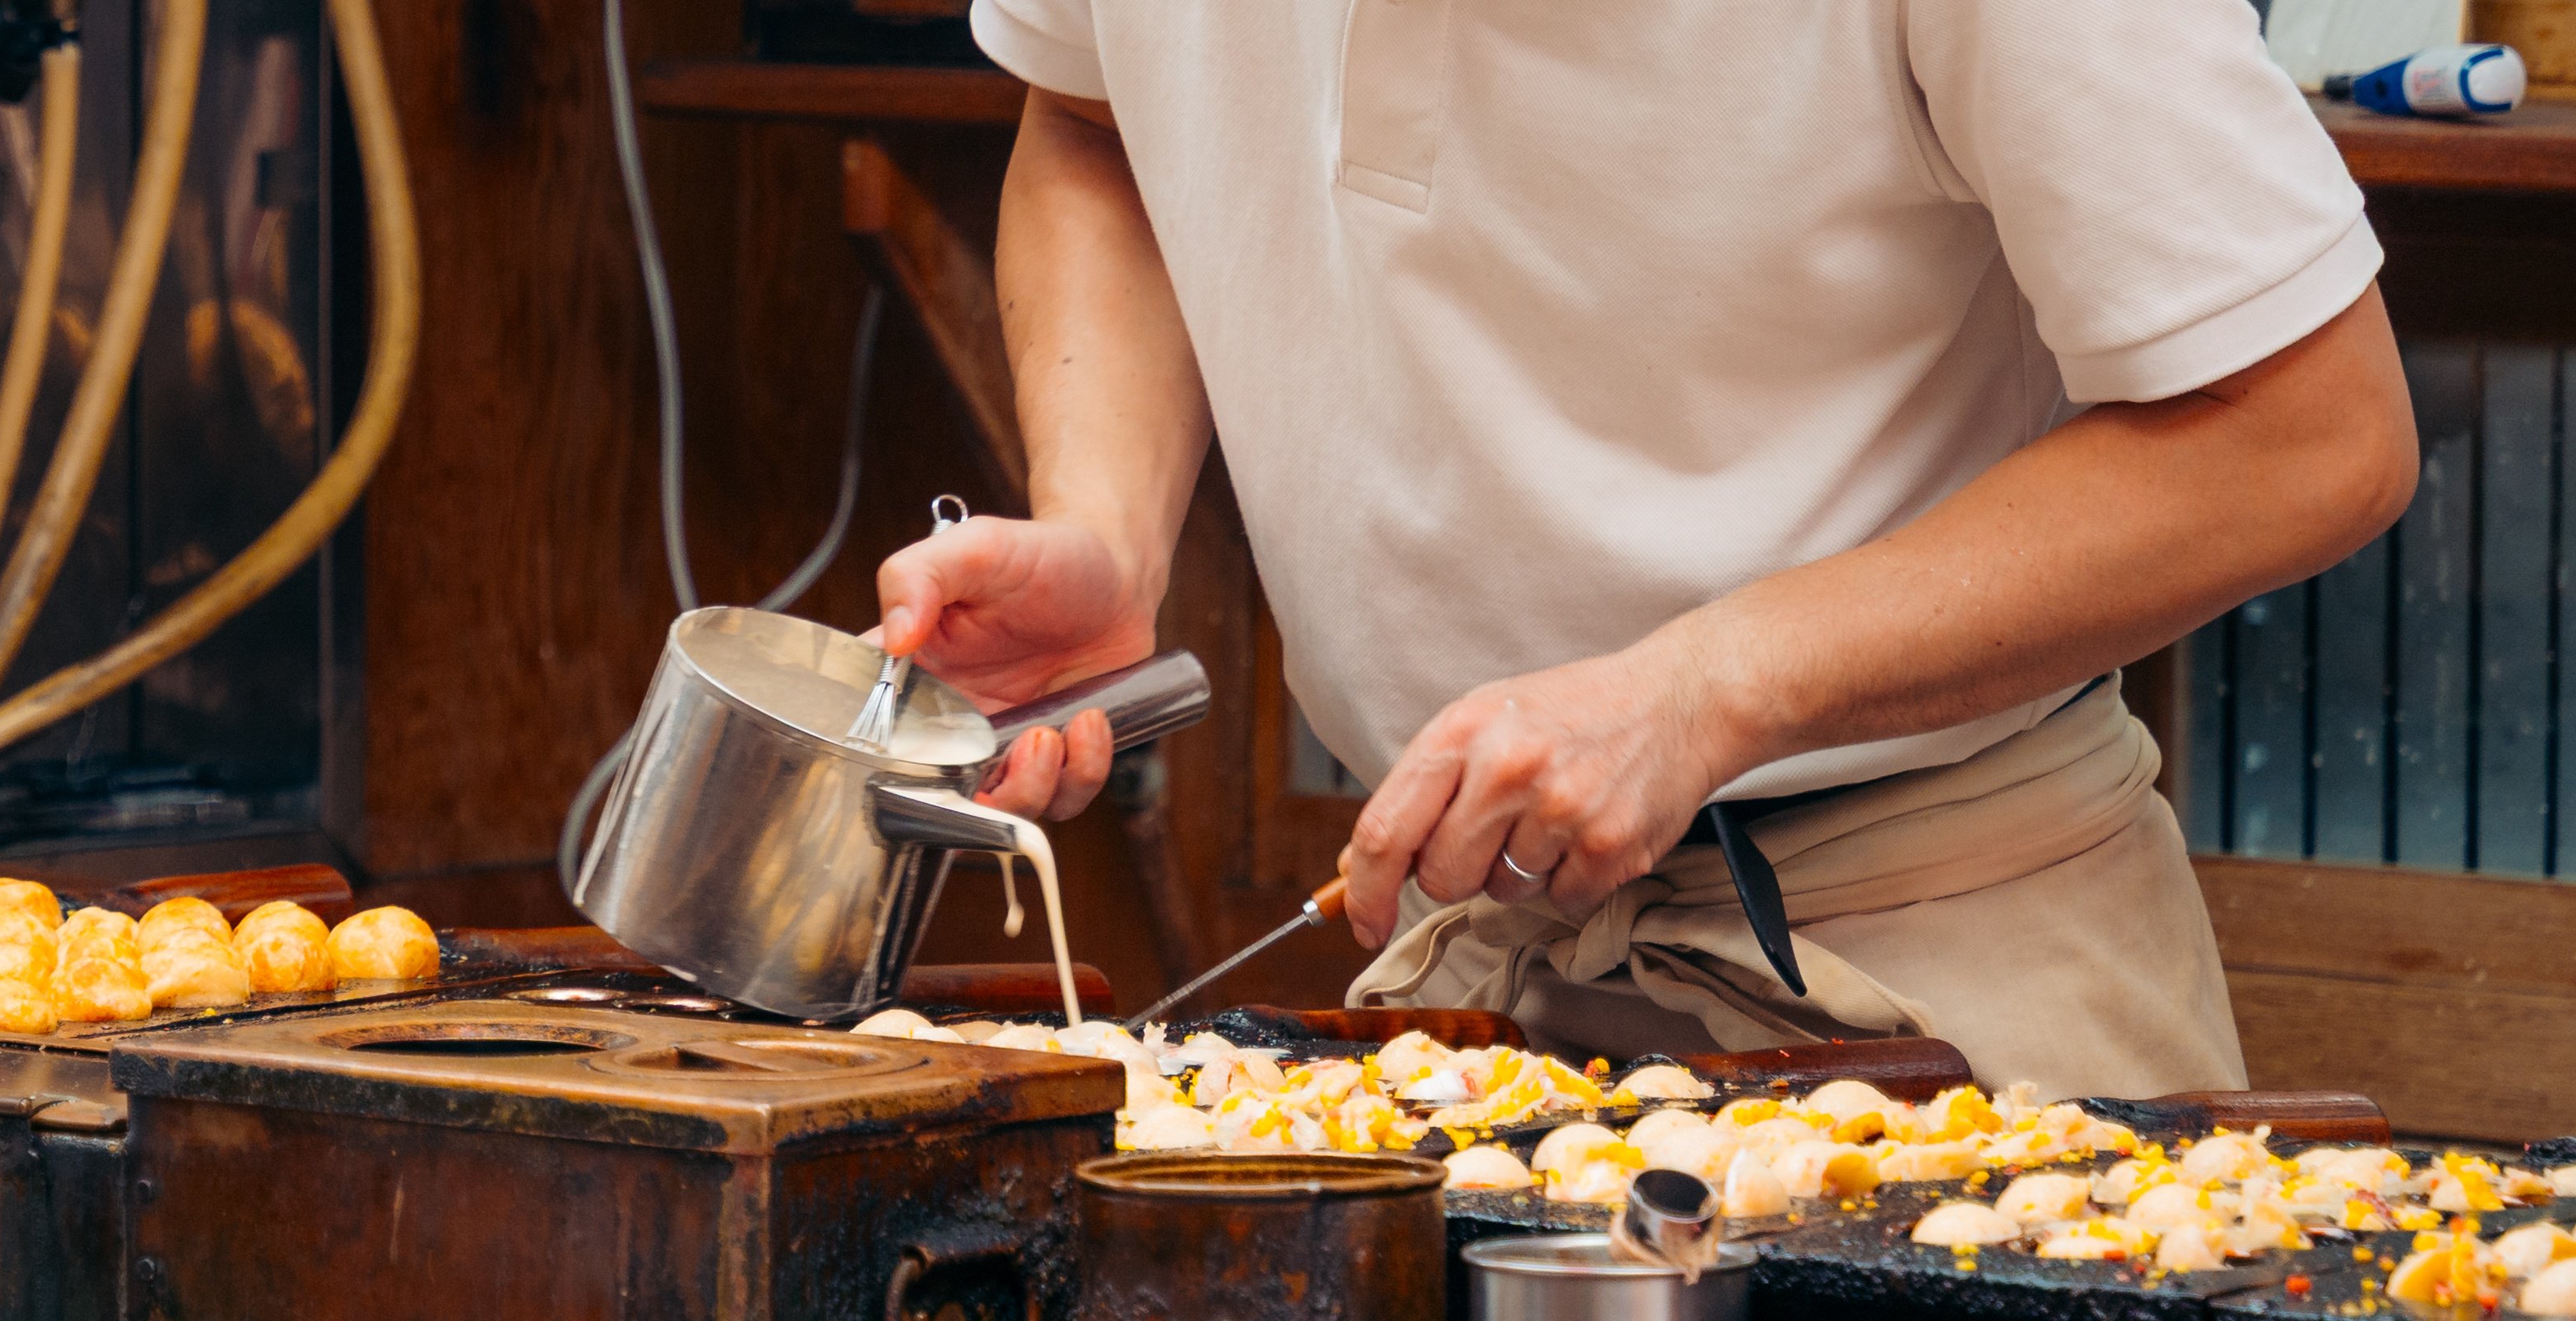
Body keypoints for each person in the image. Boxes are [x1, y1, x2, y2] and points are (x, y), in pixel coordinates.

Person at [872, 0, 2419, 1097]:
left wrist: (1708, 687)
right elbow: (1092, 128)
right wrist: (1106, 515)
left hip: (1947, 975)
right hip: (1473, 990)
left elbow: (2312, 434)